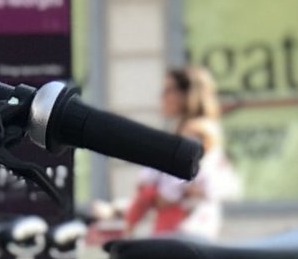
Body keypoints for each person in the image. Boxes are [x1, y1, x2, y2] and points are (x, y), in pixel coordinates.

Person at [98, 64, 241, 244]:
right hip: (190, 228)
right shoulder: (194, 129)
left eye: (168, 90)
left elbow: (169, 193)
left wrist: (151, 195)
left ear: (187, 94)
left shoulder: (195, 132)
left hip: (186, 228)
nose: (162, 96)